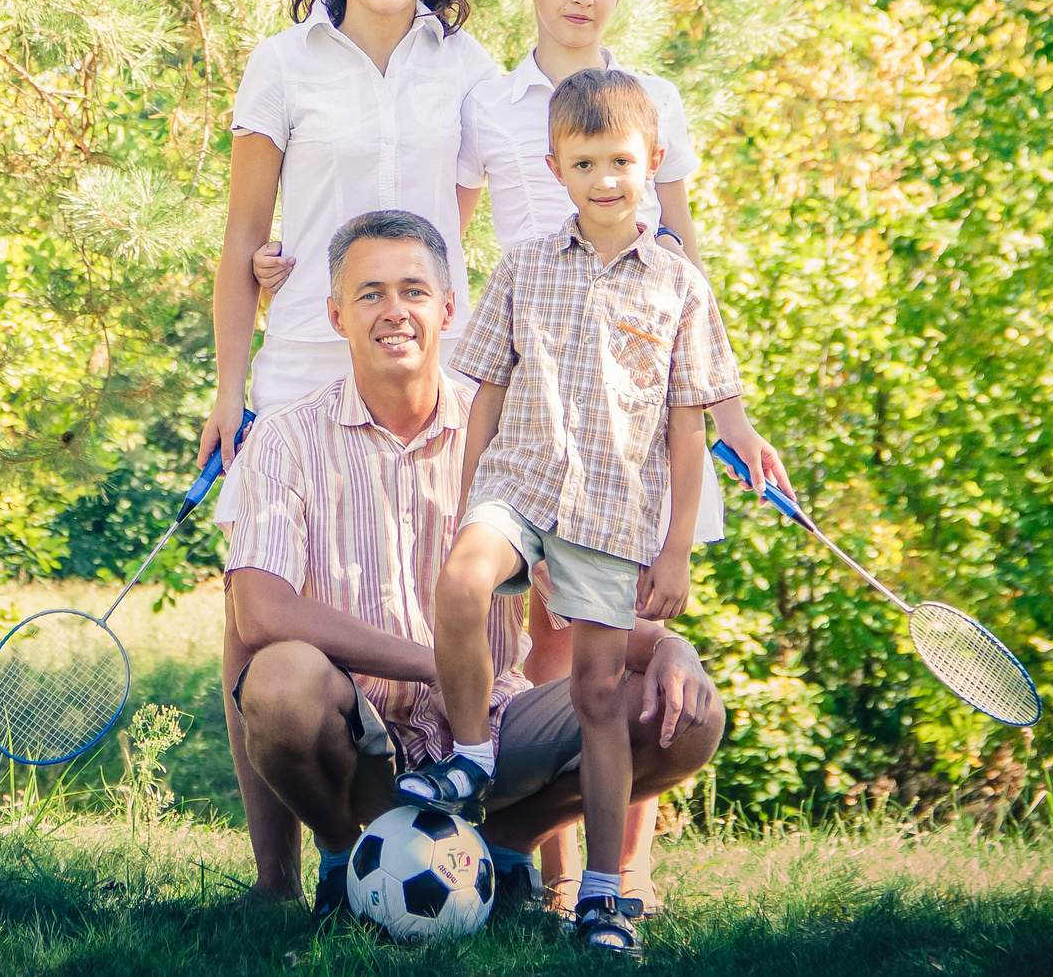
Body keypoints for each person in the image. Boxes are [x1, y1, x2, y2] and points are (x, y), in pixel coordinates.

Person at [221, 208, 725, 926]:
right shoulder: (285, 439)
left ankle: (505, 840)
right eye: (369, 294)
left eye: (414, 291)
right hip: (355, 742)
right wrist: (435, 663)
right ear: (336, 315)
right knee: (275, 679)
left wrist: (670, 645)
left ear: (449, 309)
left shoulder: (512, 438)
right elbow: (261, 610)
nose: (394, 311)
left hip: (489, 738)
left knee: (688, 715)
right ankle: (344, 856)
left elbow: (578, 591)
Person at [456, 0, 793, 915]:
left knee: (617, 638)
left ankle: (614, 883)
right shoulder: (488, 103)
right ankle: (529, 861)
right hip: (536, 399)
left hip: (635, 409)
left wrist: (729, 413)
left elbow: (681, 249)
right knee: (543, 646)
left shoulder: (654, 101)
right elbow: (446, 223)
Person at [201, 0, 500, 892]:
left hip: (424, 358)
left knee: (443, 586)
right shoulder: (284, 61)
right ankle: (282, 879)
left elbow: (452, 232)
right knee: (258, 611)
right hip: (299, 359)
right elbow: (243, 237)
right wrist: (227, 388)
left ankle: (448, 831)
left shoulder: (468, 66)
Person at [409, 69, 742, 958]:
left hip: (610, 516)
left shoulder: (680, 286)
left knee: (599, 696)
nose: (604, 177)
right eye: (585, 161)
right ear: (556, 167)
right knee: (462, 580)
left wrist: (675, 549)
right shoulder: (523, 265)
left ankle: (602, 897)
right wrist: (470, 491)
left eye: (622, 160)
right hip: (517, 485)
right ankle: (474, 753)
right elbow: (484, 386)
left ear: (653, 161)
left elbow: (687, 428)